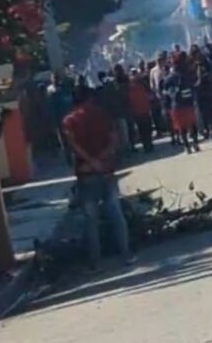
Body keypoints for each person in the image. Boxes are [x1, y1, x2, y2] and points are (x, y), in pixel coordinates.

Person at [62, 86, 133, 269]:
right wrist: (101, 159)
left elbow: (73, 146)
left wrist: (90, 161)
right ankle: (125, 254)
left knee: (90, 219)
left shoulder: (69, 121)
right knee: (116, 214)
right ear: (89, 99)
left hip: (86, 174)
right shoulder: (102, 115)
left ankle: (96, 261)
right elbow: (114, 140)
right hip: (106, 170)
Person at [164, 53, 200, 153]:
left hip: (178, 105)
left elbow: (164, 88)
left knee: (183, 127)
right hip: (186, 104)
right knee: (191, 125)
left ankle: (188, 146)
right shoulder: (185, 74)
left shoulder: (171, 77)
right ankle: (194, 143)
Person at [128, 70, 154, 152]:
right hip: (141, 110)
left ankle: (147, 144)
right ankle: (148, 144)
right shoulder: (136, 85)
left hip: (141, 110)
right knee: (145, 128)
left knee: (144, 129)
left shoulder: (140, 84)